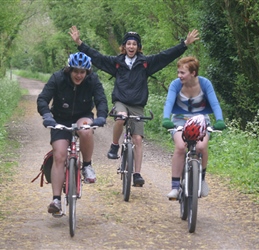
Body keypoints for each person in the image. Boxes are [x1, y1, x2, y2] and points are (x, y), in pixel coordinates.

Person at [69, 25, 199, 187]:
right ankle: (115, 145)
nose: (131, 46)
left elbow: (165, 56)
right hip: (121, 102)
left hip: (138, 105)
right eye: (128, 44)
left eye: (134, 44)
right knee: (120, 118)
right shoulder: (117, 63)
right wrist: (80, 43)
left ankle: (137, 173)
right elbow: (98, 57)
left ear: (138, 47)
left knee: (137, 139)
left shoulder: (146, 63)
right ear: (124, 46)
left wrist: (184, 44)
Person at [37, 52, 108, 214]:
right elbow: (42, 99)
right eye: (75, 71)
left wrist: (102, 116)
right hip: (60, 119)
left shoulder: (92, 80)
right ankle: (56, 200)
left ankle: (87, 166)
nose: (78, 75)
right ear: (69, 70)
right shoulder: (57, 78)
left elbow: (101, 100)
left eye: (82, 72)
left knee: (86, 130)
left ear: (87, 72)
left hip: (82, 116)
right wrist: (47, 116)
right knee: (60, 155)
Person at [162, 56, 226, 199]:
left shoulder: (205, 84)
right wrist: (166, 118)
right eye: (178, 72)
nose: (179, 76)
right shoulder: (175, 85)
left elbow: (215, 103)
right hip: (179, 120)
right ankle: (175, 187)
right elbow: (169, 102)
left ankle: (201, 180)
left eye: (182, 73)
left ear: (193, 73)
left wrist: (220, 120)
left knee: (201, 147)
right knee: (180, 147)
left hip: (201, 121)